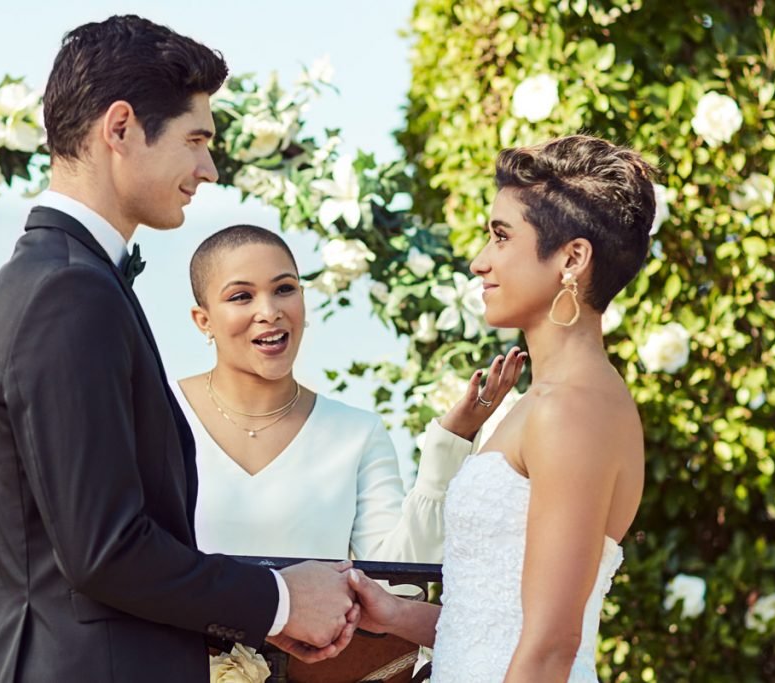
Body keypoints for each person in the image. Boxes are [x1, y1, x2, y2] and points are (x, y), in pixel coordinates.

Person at [0, 16, 357, 682]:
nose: (208, 167)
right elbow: (106, 550)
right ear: (119, 128)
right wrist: (282, 600)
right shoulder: (68, 291)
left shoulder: (55, 276)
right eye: (195, 139)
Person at [345, 134, 655, 683]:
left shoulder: (573, 410)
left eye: (500, 236)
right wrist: (393, 612)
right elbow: (492, 622)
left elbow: (552, 646)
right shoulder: (544, 400)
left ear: (572, 259)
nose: (478, 261)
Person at [175, 224, 527, 563]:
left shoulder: (357, 433)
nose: (269, 312)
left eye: (284, 289)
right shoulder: (159, 412)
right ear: (203, 320)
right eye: (241, 297)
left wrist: (452, 439)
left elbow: (398, 579)